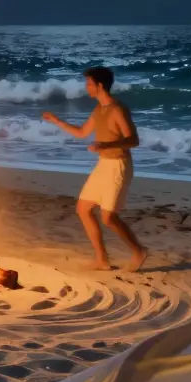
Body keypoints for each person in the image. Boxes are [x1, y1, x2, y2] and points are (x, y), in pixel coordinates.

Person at [42, 66, 148, 272]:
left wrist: (106, 145)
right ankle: (102, 259)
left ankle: (139, 251)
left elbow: (134, 140)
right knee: (83, 208)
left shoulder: (118, 109)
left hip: (118, 165)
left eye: (89, 83)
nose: (86, 87)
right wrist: (56, 121)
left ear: (100, 85)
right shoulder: (99, 110)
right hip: (103, 165)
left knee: (108, 218)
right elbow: (82, 132)